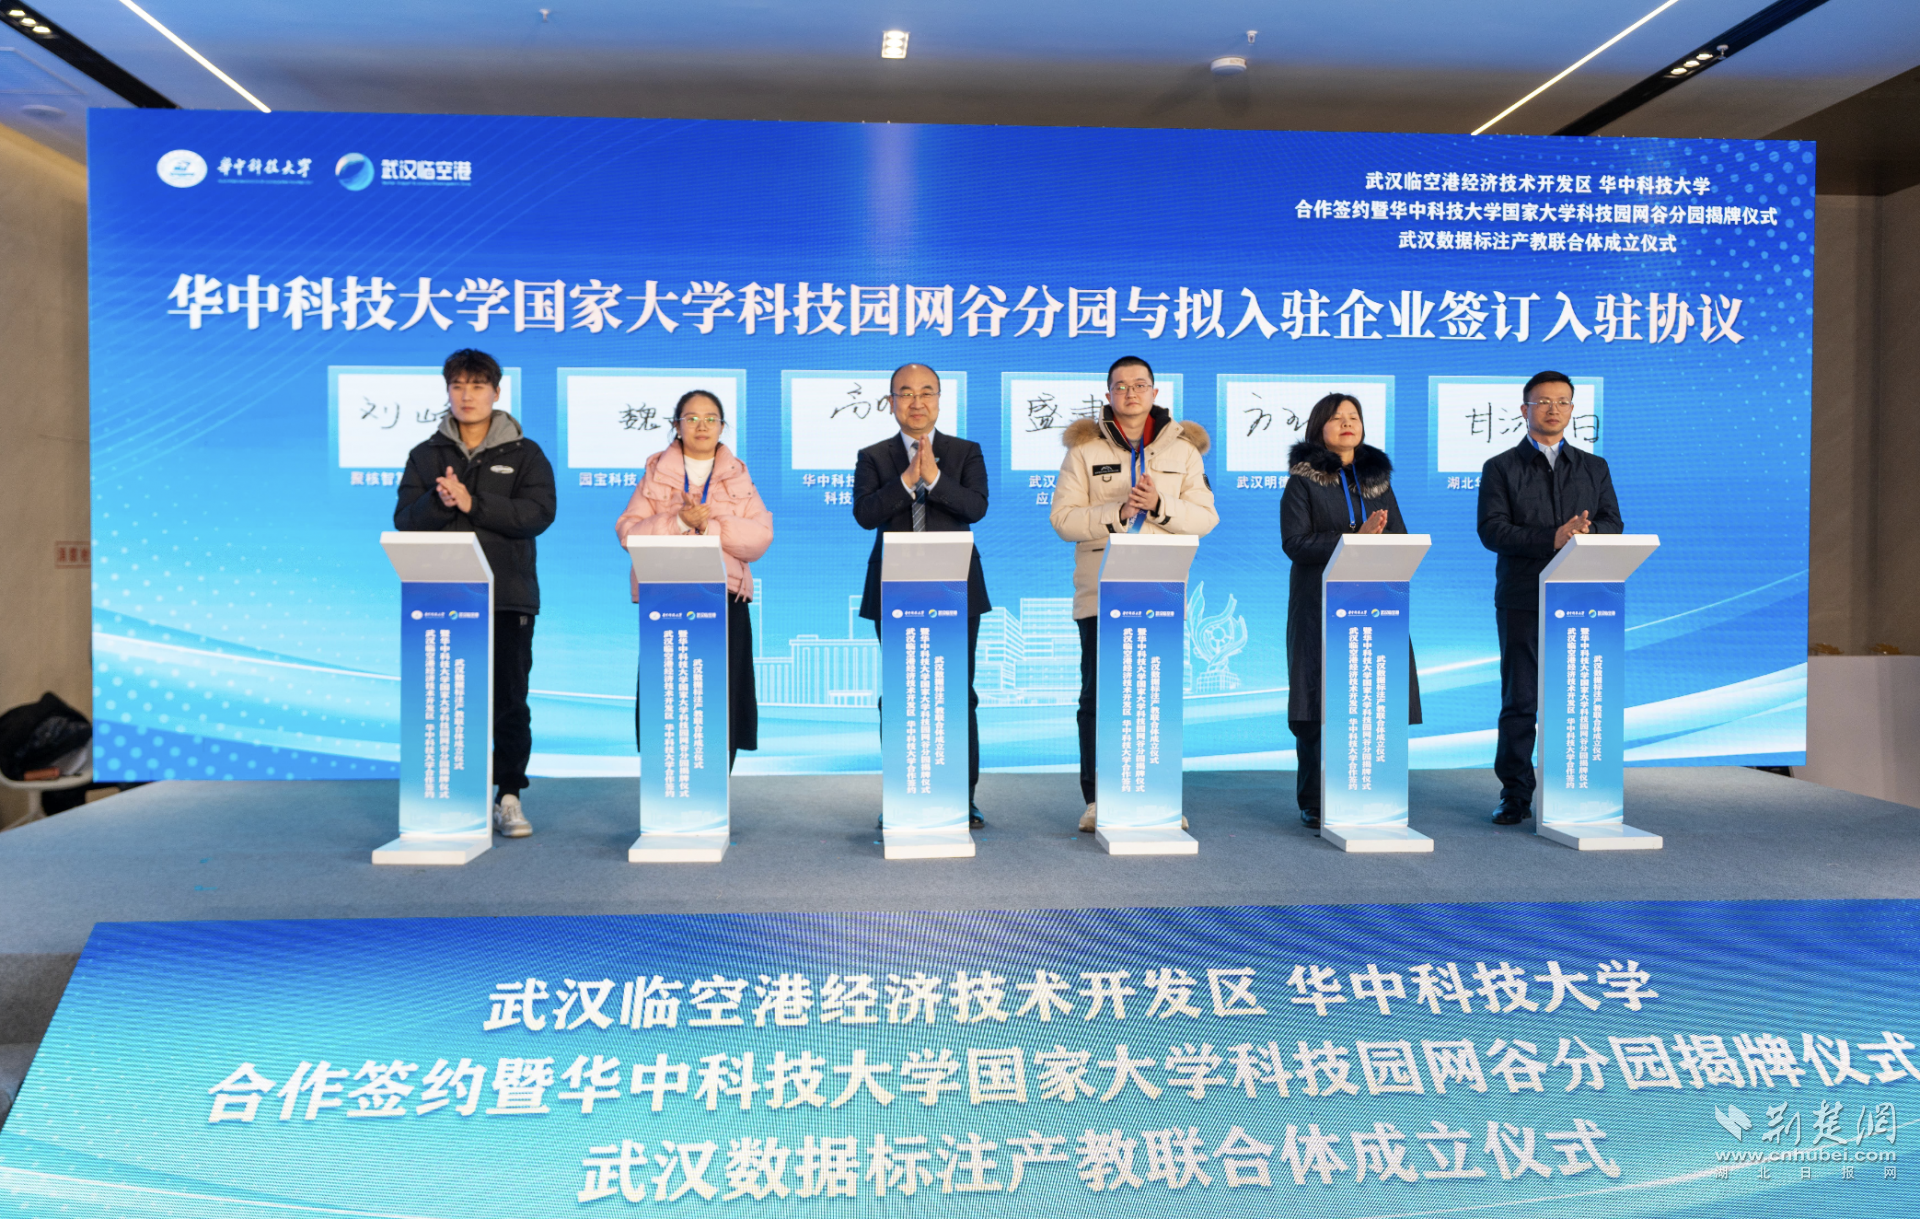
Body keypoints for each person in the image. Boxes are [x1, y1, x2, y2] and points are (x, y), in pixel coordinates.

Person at [1050, 356, 1217, 833]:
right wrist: (1118, 512)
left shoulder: (1183, 450)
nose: (1130, 393)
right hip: (1102, 590)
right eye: (1120, 386)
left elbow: (1206, 518)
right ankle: (1097, 799)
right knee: (1098, 697)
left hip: (1159, 588)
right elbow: (1063, 519)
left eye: (1139, 385)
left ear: (1155, 393)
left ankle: (1157, 795)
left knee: (1154, 695)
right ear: (1107, 395)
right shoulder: (1083, 450)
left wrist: (1159, 505)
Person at [395, 349, 556, 838]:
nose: (467, 395)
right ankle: (449, 795)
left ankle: (508, 796)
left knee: (509, 700)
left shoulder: (525, 454)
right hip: (441, 598)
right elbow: (405, 520)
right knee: (445, 699)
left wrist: (473, 503)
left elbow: (538, 515)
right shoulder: (426, 455)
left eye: (477, 386)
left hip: (507, 596)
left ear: (496, 392)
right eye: (458, 386)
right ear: (447, 391)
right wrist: (438, 500)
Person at [1477, 370, 1622, 825]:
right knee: (1521, 700)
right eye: (1543, 402)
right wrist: (1552, 537)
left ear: (1573, 410)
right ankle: (1515, 794)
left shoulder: (1594, 467)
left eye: (1562, 402)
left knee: (1576, 699)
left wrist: (1587, 534)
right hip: (1523, 596)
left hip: (1582, 597)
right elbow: (1492, 530)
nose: (1553, 409)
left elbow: (1614, 523)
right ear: (1525, 410)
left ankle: (1576, 790)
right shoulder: (1501, 467)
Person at [853, 362, 991, 829]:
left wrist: (933, 478)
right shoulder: (873, 456)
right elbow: (865, 515)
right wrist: (905, 481)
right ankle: (902, 793)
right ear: (891, 401)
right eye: (906, 393)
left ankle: (962, 796)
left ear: (939, 400)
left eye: (926, 392)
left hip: (955, 588)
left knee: (956, 693)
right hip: (895, 588)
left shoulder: (965, 451)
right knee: (901, 693)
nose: (917, 402)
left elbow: (976, 507)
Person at [1280, 393, 1423, 829]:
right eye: (1337, 417)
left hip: (1376, 604)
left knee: (1373, 698)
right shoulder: (1302, 482)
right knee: (1318, 701)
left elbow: (1399, 538)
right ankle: (1314, 797)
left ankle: (1371, 788)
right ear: (1319, 427)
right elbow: (1296, 544)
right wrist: (1353, 539)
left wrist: (1378, 540)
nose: (1348, 423)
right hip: (1320, 605)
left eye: (1354, 417)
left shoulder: (1377, 481)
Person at [615, 390, 772, 772]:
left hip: (725, 597)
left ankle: (717, 788)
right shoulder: (655, 473)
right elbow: (629, 534)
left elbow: (760, 538)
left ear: (722, 426)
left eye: (711, 418)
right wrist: (679, 521)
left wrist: (709, 526)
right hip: (667, 595)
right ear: (676, 425)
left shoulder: (738, 474)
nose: (702, 426)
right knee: (666, 694)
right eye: (692, 418)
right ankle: (668, 784)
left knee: (723, 694)